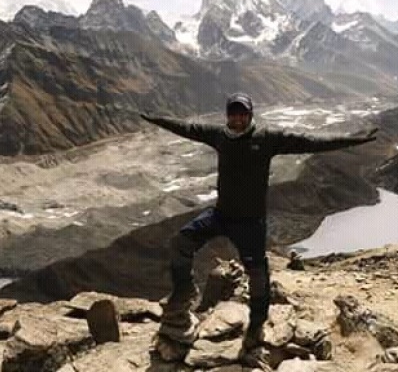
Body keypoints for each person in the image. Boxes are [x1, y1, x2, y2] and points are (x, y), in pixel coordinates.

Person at [140, 93, 378, 351]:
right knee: (182, 241)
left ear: (250, 115)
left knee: (258, 274)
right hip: (221, 215)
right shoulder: (220, 136)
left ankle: (257, 325)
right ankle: (184, 292)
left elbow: (311, 142)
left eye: (243, 114)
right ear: (228, 116)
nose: (238, 119)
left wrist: (354, 139)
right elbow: (187, 128)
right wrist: (155, 119)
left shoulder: (266, 139)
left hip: (251, 223)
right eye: (234, 113)